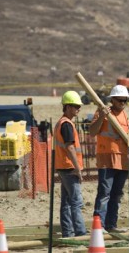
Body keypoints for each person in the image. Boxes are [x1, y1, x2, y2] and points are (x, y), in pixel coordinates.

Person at [88, 84, 129, 232]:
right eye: (120, 100)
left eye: (125, 100)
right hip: (106, 160)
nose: (123, 103)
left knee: (116, 195)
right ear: (113, 100)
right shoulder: (103, 113)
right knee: (104, 193)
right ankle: (99, 226)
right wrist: (102, 117)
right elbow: (92, 132)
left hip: (123, 162)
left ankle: (111, 225)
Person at [54, 90, 87, 238]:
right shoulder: (66, 124)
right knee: (76, 202)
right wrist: (77, 168)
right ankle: (80, 232)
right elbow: (70, 147)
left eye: (79, 106)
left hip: (64, 166)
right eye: (75, 106)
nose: (78, 109)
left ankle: (68, 232)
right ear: (67, 107)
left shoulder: (62, 122)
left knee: (66, 202)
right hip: (69, 167)